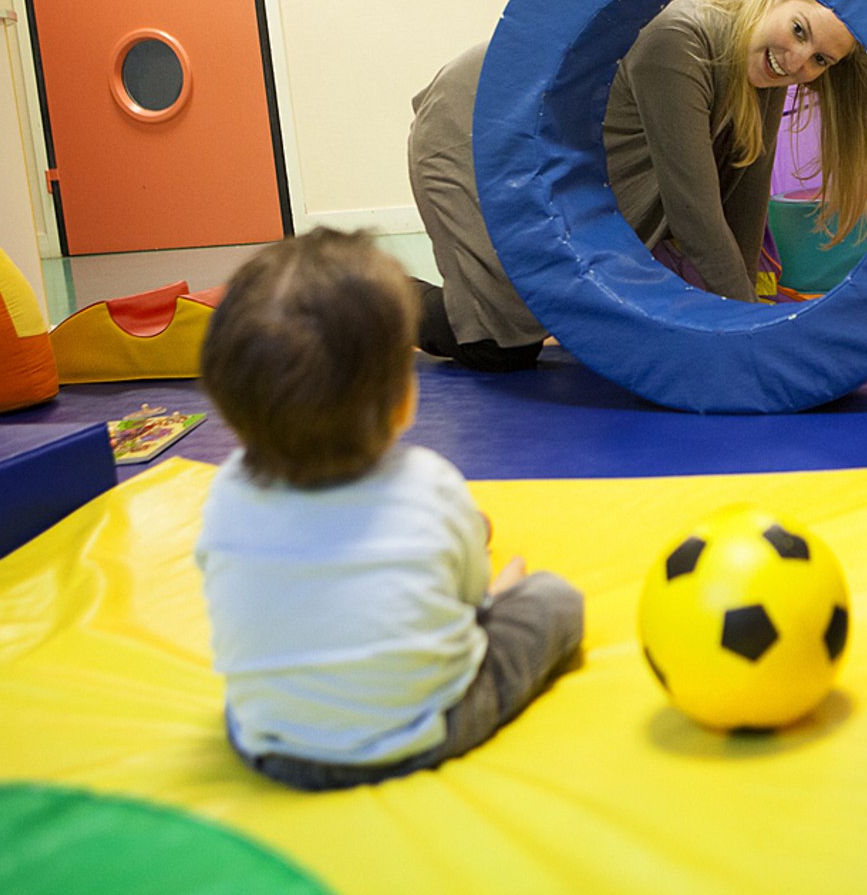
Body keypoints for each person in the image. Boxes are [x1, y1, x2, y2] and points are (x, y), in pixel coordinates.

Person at [195, 227, 584, 791]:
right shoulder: (428, 485)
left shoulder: (224, 495)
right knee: (554, 601)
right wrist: (495, 594)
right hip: (420, 729)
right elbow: (470, 606)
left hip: (272, 742)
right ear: (402, 401)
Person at [407, 0, 867, 372]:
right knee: (496, 347)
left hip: (540, 150)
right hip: (475, 126)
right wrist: (752, 339)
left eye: (820, 61)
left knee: (542, 316)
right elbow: (694, 212)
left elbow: (746, 197)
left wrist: (750, 320)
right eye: (800, 31)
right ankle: (375, 292)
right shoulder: (679, 37)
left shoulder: (765, 62)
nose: (797, 61)